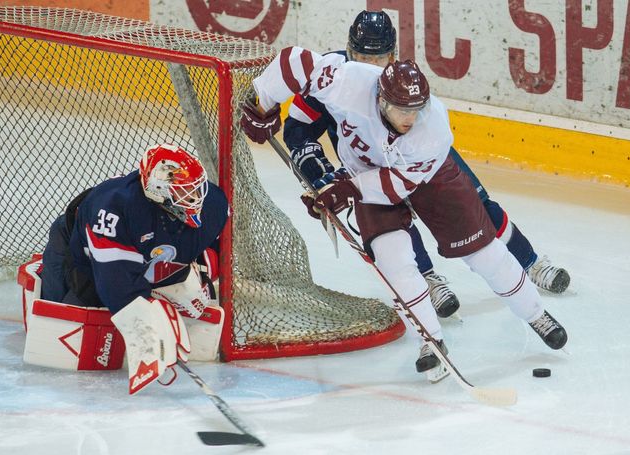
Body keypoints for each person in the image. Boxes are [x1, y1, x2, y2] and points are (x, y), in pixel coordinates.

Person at [240, 48, 568, 381]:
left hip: (430, 176)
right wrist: (262, 101)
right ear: (382, 100)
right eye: (401, 110)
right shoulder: (348, 83)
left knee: (483, 252)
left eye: (415, 109)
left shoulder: (433, 129)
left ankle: (536, 314)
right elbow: (296, 62)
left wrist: (343, 190)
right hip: (365, 173)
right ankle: (431, 340)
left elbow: (395, 186)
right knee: (391, 258)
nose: (409, 118)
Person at [283, 10, 570, 302]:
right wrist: (319, 175)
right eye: (361, 57)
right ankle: (428, 280)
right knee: (394, 224)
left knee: (476, 205)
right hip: (367, 168)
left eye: (378, 58)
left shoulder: (404, 80)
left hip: (421, 159)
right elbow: (296, 130)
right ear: (348, 50)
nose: (370, 66)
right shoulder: (331, 76)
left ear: (392, 56)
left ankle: (529, 261)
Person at [22, 144, 229, 394]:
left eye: (195, 188)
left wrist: (201, 277)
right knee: (78, 313)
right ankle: (42, 272)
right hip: (81, 251)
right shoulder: (112, 209)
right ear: (158, 191)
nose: (196, 198)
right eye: (185, 191)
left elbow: (213, 248)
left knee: (183, 288)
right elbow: (116, 287)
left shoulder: (213, 203)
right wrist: (148, 323)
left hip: (139, 254)